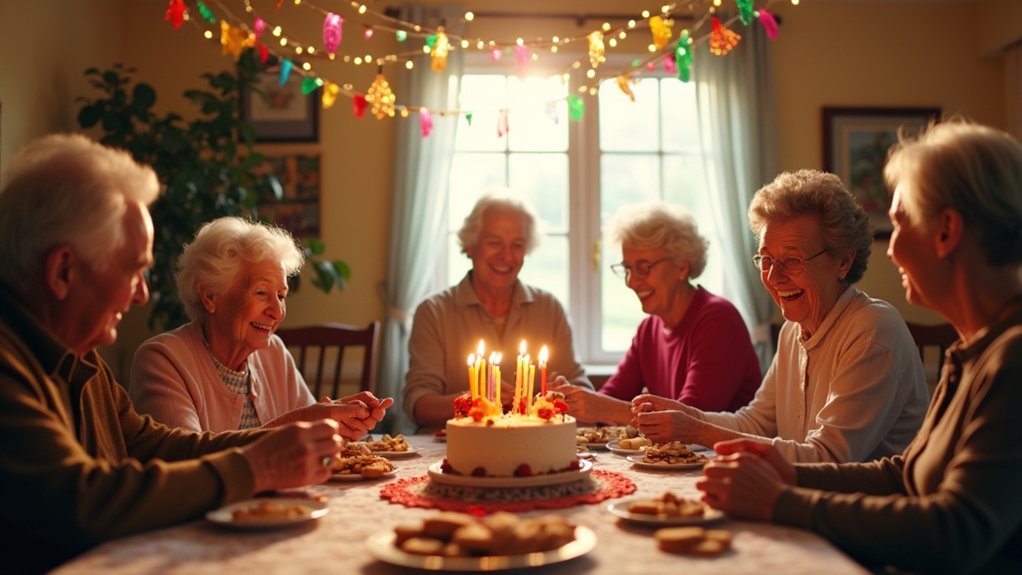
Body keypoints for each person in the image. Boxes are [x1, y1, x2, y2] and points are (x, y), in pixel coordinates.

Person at [0, 134, 343, 572]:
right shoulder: (9, 360)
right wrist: (255, 468)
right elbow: (82, 501)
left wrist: (277, 443)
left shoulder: (79, 357)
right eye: (134, 270)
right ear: (63, 270)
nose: (142, 295)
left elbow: (152, 444)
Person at [697, 120, 1022, 574]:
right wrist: (788, 472)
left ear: (947, 231)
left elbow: (956, 532)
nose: (890, 250)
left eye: (899, 223)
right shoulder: (974, 350)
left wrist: (781, 500)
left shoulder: (1013, 359)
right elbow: (902, 474)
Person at [633, 169, 929, 463]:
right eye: (766, 259)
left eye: (792, 259)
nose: (774, 276)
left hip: (866, 506)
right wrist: (687, 416)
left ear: (843, 261)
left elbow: (828, 457)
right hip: (805, 499)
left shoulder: (872, 330)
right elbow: (756, 422)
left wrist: (698, 431)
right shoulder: (793, 330)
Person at [129, 217, 391, 439]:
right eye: (261, 293)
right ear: (210, 297)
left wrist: (339, 422)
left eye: (281, 295)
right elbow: (188, 467)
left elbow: (311, 436)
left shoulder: (273, 352)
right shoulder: (162, 360)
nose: (277, 312)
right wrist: (305, 421)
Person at [551, 201, 761, 424]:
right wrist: (570, 400)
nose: (631, 282)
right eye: (628, 269)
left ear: (682, 266)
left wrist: (601, 408)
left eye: (644, 267)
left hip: (726, 457)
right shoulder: (648, 329)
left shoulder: (718, 321)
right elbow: (610, 398)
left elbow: (688, 422)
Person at [403, 189, 592, 431]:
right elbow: (418, 405)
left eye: (517, 245)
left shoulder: (549, 309)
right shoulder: (434, 312)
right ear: (471, 245)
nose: (506, 256)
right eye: (494, 243)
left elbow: (582, 390)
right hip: (458, 451)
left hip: (536, 449)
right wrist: (474, 400)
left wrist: (563, 394)